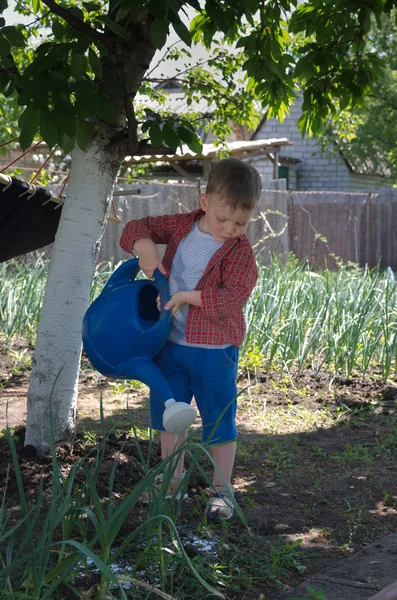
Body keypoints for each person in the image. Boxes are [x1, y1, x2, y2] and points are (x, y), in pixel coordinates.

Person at [119, 157, 261, 521]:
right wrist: (146, 247)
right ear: (204, 202)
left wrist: (185, 298)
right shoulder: (182, 227)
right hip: (170, 347)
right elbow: (137, 225)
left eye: (241, 223)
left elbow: (232, 298)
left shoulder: (240, 251)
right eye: (222, 219)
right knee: (171, 417)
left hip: (215, 352)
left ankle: (221, 491)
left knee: (219, 421)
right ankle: (171, 482)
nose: (230, 229)